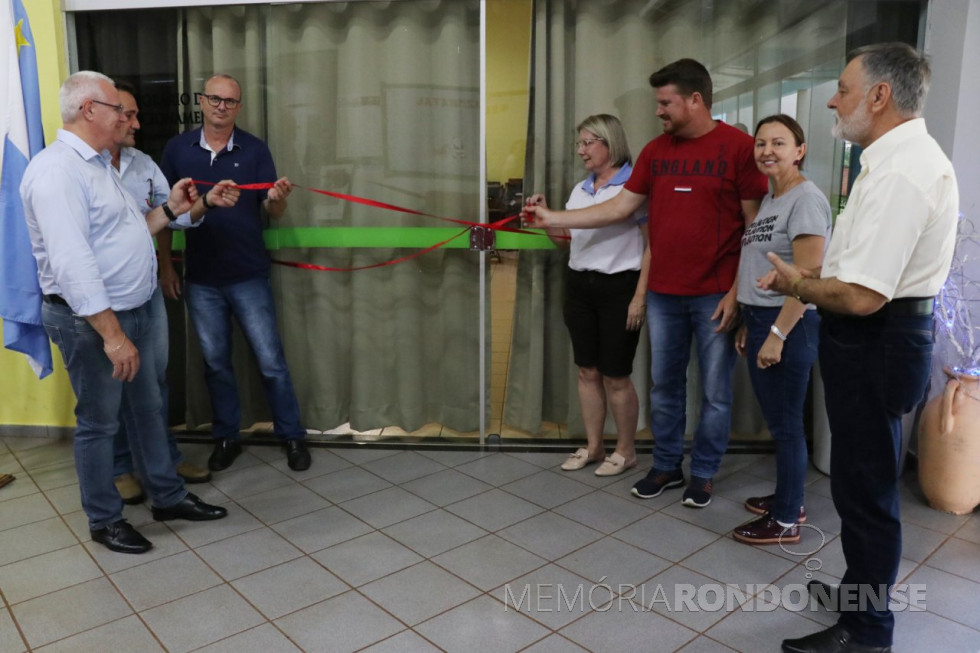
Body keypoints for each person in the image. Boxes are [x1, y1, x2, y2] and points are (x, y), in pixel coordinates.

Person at [761, 44, 958, 653]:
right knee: (857, 481)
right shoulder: (892, 160)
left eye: (843, 88)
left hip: (878, 337)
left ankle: (867, 630)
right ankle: (857, 592)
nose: (831, 98)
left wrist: (799, 284)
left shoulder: (902, 170)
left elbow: (864, 295)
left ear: (880, 96)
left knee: (867, 491)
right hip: (877, 338)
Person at [524, 59, 768, 507]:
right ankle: (667, 466)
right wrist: (553, 217)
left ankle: (705, 473)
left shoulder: (737, 148)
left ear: (695, 100)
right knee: (665, 386)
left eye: (665, 102)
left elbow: (754, 229)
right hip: (664, 293)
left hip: (716, 294)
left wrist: (738, 292)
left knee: (714, 392)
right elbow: (619, 209)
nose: (658, 111)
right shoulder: (657, 152)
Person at [20, 71, 229, 555]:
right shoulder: (57, 172)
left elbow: (130, 230)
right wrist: (113, 335)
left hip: (139, 305)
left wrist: (171, 209)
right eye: (118, 108)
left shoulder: (101, 166)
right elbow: (72, 265)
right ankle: (104, 519)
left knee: (149, 406)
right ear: (89, 110)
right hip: (93, 322)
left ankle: (168, 496)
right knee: (99, 423)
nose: (126, 117)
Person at [160, 73, 311, 472]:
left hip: (248, 275)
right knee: (215, 363)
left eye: (230, 101)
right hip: (202, 279)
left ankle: (292, 436)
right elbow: (163, 214)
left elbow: (272, 210)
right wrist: (165, 267)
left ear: (239, 107)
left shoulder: (256, 150)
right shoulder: (177, 150)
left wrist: (278, 200)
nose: (222, 106)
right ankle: (227, 436)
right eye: (215, 99)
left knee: (270, 361)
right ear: (203, 101)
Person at [109, 81, 240, 504]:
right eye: (128, 115)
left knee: (155, 385)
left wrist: (205, 203)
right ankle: (120, 469)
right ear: (99, 113)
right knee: (111, 393)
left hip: (143, 294)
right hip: (101, 301)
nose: (136, 123)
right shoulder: (75, 170)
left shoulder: (142, 163)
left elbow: (175, 216)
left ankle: (163, 460)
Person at [527, 114, 649, 477]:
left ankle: (625, 451)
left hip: (619, 287)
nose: (580, 150)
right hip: (580, 285)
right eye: (579, 143)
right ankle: (595, 446)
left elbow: (651, 246)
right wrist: (546, 220)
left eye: (587, 142)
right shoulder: (581, 189)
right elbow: (567, 242)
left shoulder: (632, 187)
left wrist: (639, 295)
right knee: (587, 371)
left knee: (616, 375)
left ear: (609, 144)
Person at [730, 115, 830, 545]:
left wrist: (777, 334)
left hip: (790, 324)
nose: (767, 150)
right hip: (762, 320)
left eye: (779, 142)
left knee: (787, 426)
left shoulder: (805, 199)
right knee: (780, 422)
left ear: (800, 150)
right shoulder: (774, 199)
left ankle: (787, 519)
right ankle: (789, 498)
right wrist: (749, 322)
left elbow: (809, 276)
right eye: (760, 143)